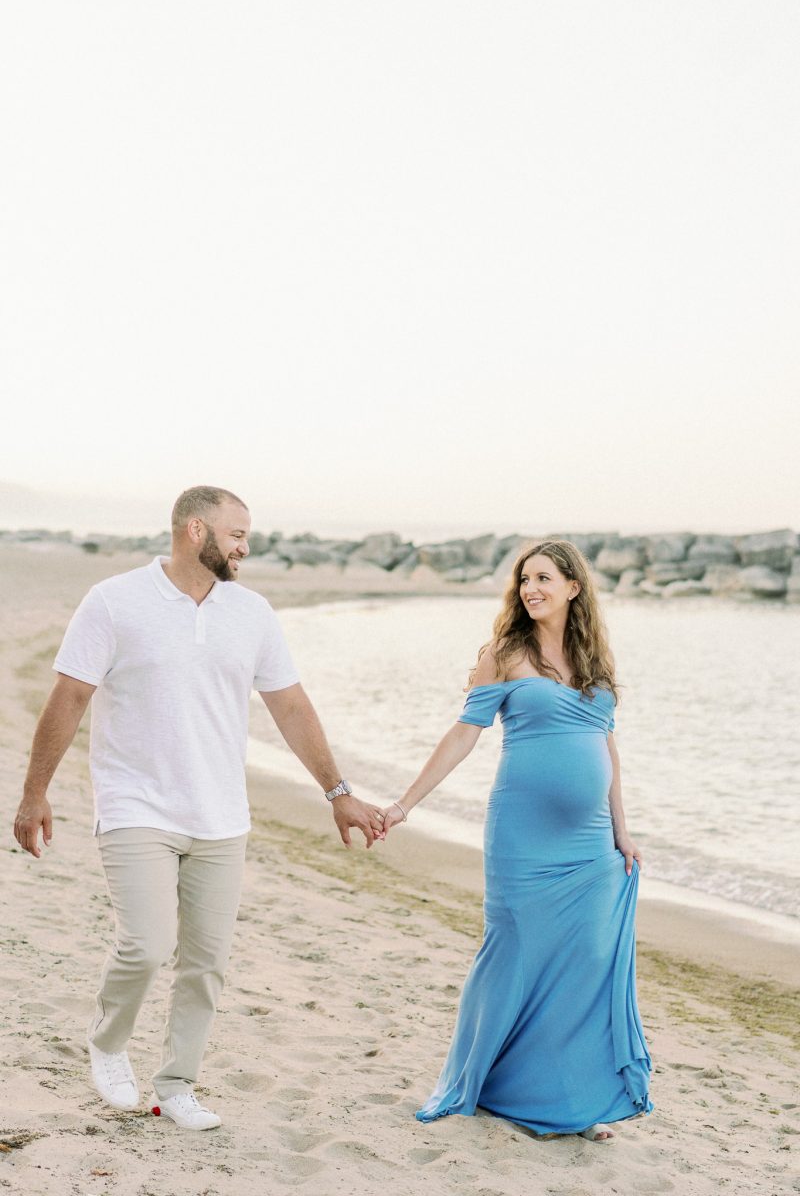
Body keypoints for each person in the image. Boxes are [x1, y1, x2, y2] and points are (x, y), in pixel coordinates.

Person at [13, 485, 386, 1131]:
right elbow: (69, 697)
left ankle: (175, 1084)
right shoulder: (114, 601)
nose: (246, 546)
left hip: (221, 813)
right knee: (149, 944)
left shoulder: (252, 613)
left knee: (206, 962)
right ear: (195, 531)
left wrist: (338, 792)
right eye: (237, 534)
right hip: (136, 804)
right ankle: (107, 1045)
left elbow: (290, 707)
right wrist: (33, 793)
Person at [381, 539, 652, 1142]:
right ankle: (474, 1083)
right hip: (522, 837)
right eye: (524, 579)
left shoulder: (593, 660)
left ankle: (570, 1101)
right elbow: (462, 735)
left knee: (582, 965)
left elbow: (606, 748)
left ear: (573, 588)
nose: (531, 589)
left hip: (589, 844)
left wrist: (622, 833)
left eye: (544, 578)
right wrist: (402, 805)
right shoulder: (504, 654)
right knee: (512, 954)